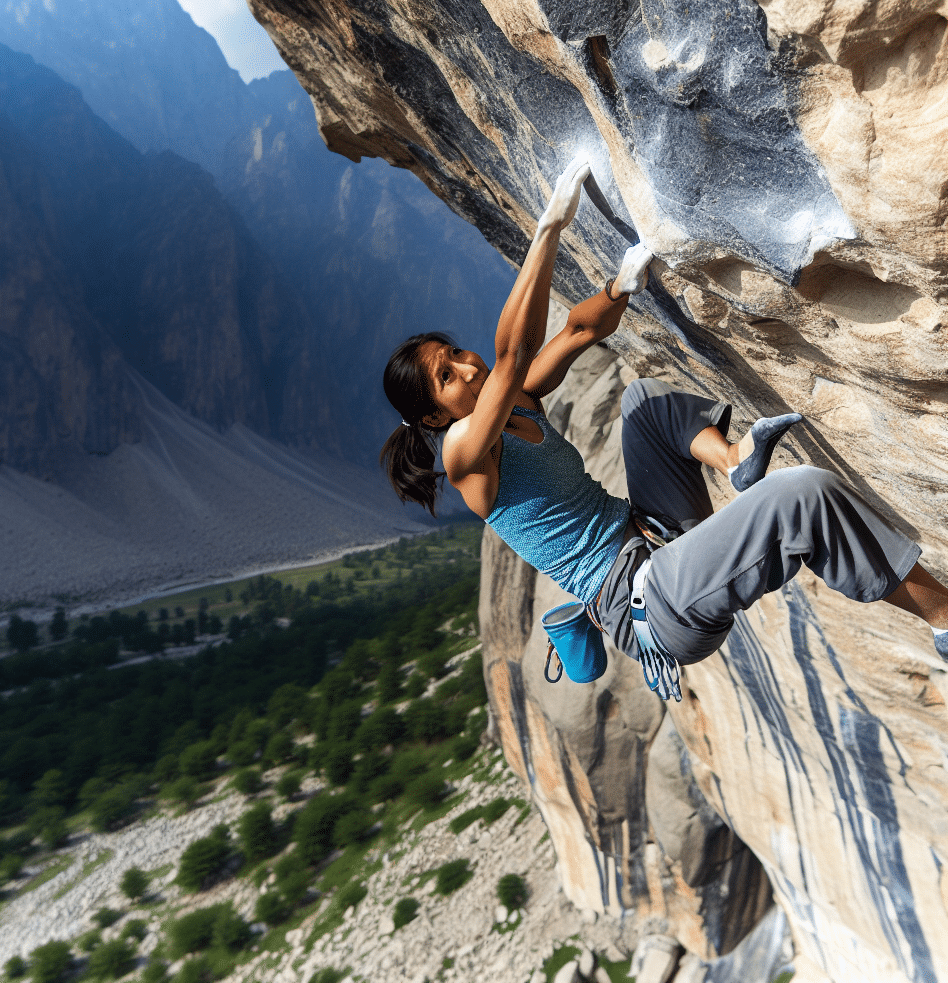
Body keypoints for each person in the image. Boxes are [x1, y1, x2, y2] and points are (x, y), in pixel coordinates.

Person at [380, 157, 948, 698]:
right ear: (434, 416)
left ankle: (733, 461)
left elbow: (578, 331)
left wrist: (620, 286)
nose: (467, 365)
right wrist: (548, 228)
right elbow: (511, 352)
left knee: (644, 402)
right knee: (802, 493)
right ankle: (943, 618)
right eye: (447, 376)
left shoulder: (518, 402)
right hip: (653, 605)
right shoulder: (463, 454)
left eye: (455, 351)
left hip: (657, 538)